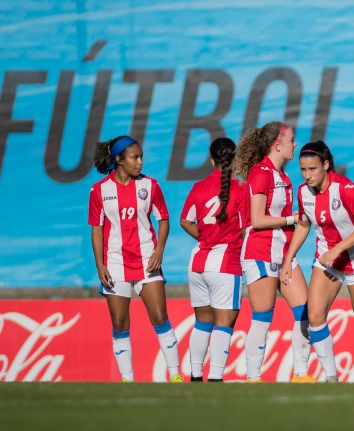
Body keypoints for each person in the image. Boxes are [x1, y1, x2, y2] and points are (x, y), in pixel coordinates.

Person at [282, 141, 354, 382]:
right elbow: (304, 224)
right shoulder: (304, 192)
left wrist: (338, 249)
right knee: (314, 317)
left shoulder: (344, 187)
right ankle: (332, 378)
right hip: (327, 261)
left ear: (326, 165)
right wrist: (288, 259)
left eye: (312, 169)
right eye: (303, 170)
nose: (307, 175)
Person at [88, 135, 182, 383]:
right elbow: (97, 230)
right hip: (115, 263)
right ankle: (127, 380)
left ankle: (175, 376)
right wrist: (100, 264)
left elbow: (164, 220)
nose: (140, 162)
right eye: (134, 157)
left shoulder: (150, 186)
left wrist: (159, 250)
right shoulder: (99, 190)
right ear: (118, 160)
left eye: (141, 157)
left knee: (160, 317)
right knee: (119, 323)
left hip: (147, 261)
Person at [233, 121, 315, 383]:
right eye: (291, 140)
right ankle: (254, 379)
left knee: (306, 311)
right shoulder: (261, 173)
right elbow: (256, 220)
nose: (295, 145)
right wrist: (292, 220)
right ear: (276, 145)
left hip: (282, 253)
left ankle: (301, 374)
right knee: (262, 318)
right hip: (259, 252)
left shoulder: (283, 176)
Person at [180, 137, 246, 382]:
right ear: (234, 159)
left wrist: (206, 236)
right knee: (224, 323)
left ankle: (196, 376)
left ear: (211, 160)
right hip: (225, 262)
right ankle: (216, 378)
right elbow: (248, 228)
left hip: (197, 261)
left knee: (202, 323)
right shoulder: (240, 189)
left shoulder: (198, 187)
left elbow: (185, 220)